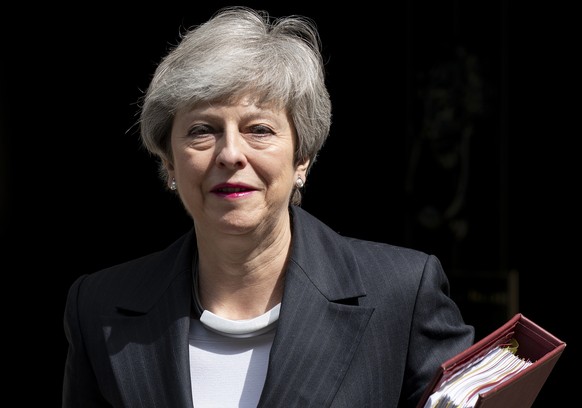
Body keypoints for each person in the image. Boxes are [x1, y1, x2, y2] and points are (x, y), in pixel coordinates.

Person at [62, 6, 475, 408]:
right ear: (168, 161)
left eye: (259, 129)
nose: (230, 154)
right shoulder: (99, 307)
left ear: (302, 158)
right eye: (202, 131)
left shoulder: (402, 294)